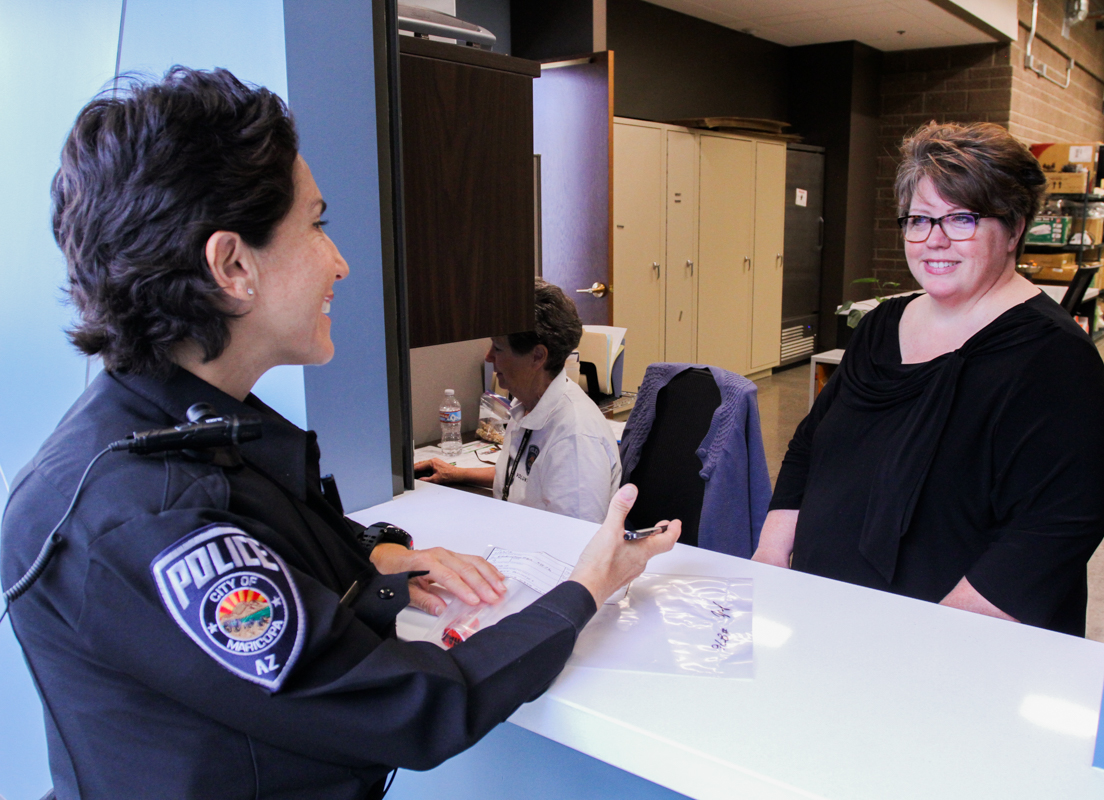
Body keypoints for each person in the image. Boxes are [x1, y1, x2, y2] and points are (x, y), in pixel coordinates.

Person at [0, 67, 679, 800]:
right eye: (316, 224)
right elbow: (416, 706)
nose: (340, 261)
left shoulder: (184, 427)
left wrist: (379, 557)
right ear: (232, 265)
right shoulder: (145, 516)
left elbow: (271, 531)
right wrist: (587, 587)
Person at [752, 122, 1104, 637]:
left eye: (962, 219)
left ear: (1014, 229)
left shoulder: (1054, 357)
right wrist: (771, 553)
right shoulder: (883, 325)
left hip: (954, 645)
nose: (934, 240)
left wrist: (931, 639)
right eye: (919, 220)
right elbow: (812, 446)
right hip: (828, 617)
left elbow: (1053, 530)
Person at [415, 280, 621, 524]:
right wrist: (455, 473)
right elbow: (526, 479)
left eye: (498, 347)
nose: (488, 356)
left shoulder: (575, 438)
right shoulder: (528, 405)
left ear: (537, 356)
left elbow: (577, 540)